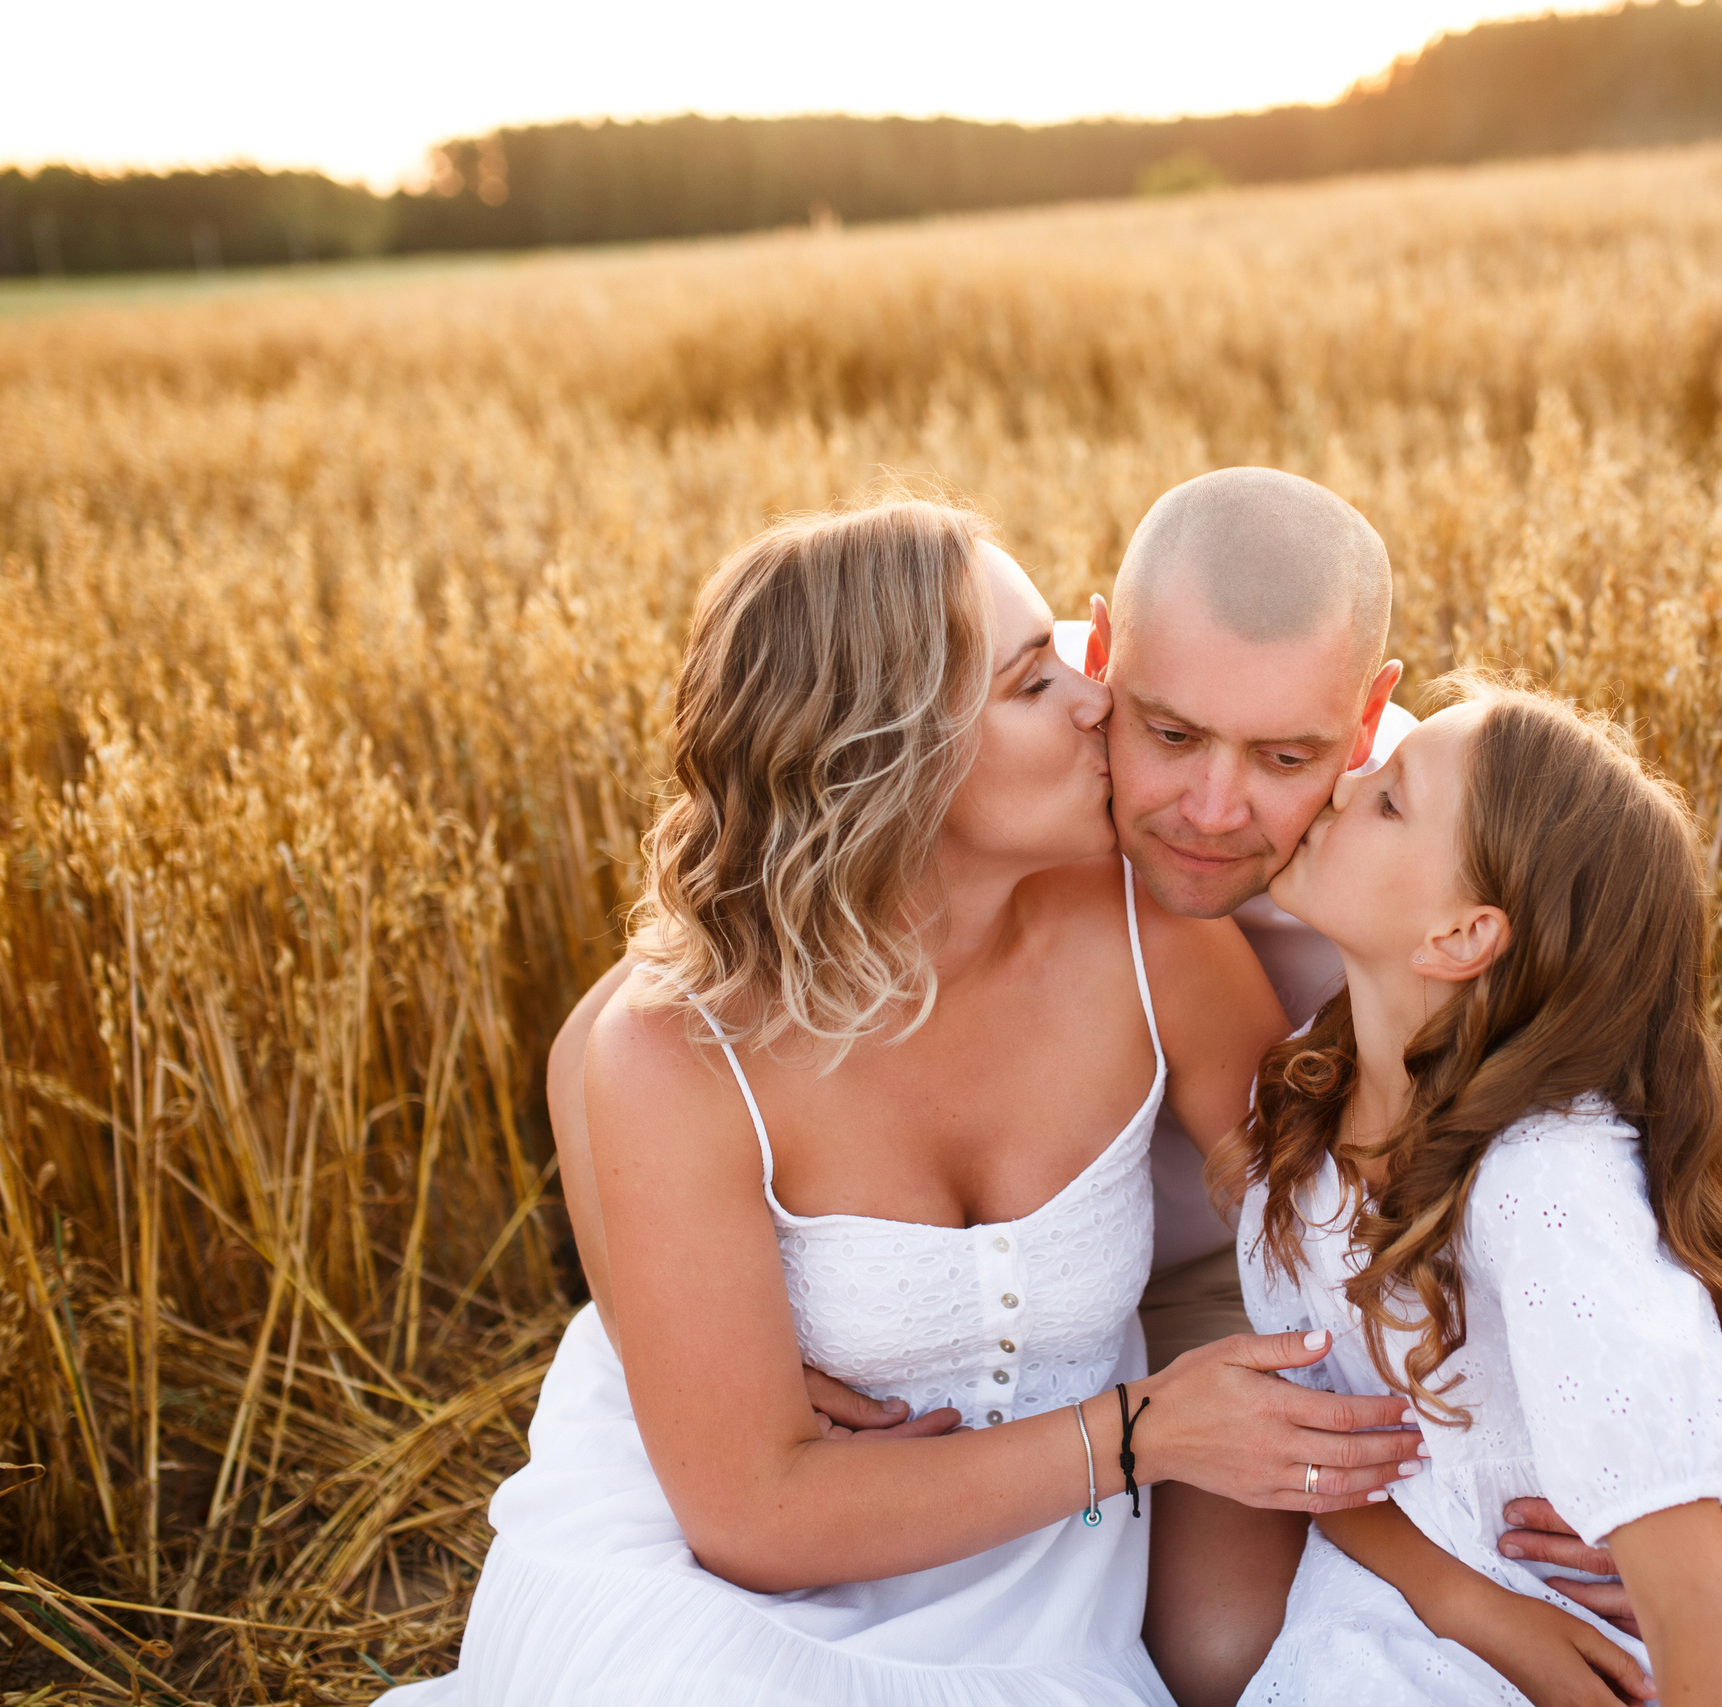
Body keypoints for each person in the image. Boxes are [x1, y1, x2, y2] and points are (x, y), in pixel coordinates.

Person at [545, 468, 1722, 1704]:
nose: (1209, 808)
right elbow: (614, 1045)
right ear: (1109, 657)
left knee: (1222, 1643)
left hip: (1254, 1271)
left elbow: (1611, 1163)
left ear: (1365, 723)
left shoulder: (1432, 828)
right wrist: (719, 1324)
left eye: (1288, 755)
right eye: (1165, 730)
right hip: (1180, 1285)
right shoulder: (1048, 723)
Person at [386, 496, 1429, 1707]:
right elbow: (750, 1514)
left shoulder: (1216, 874)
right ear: (887, 761)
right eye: (1037, 680)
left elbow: (1337, 1229)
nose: (1097, 699)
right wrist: (1141, 1434)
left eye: (1066, 662)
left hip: (1041, 1572)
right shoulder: (683, 1047)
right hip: (719, 1584)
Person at [1226, 675, 1722, 1706]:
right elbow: (1317, 1449)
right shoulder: (1305, 1109)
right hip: (1407, 1594)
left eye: (1387, 799)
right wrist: (1471, 1608)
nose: (1343, 784)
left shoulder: (1544, 1185)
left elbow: (1687, 1608)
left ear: (1461, 936)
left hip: (1595, 1625)